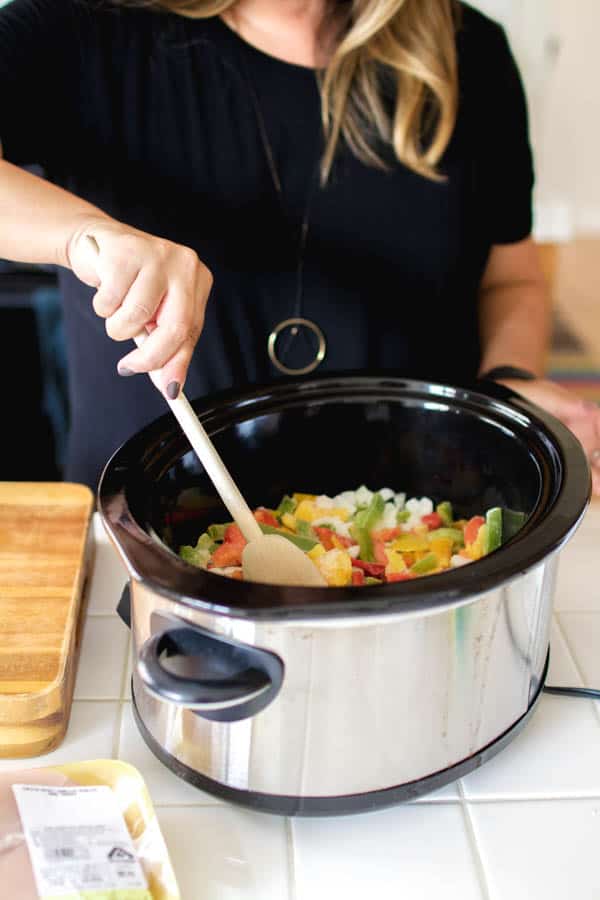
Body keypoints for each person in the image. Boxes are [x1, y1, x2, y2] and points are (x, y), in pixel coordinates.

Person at [1, 0, 599, 494]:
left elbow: (510, 280)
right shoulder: (80, 27)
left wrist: (509, 380)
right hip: (145, 541)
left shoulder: (471, 54)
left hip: (425, 533)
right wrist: (83, 236)